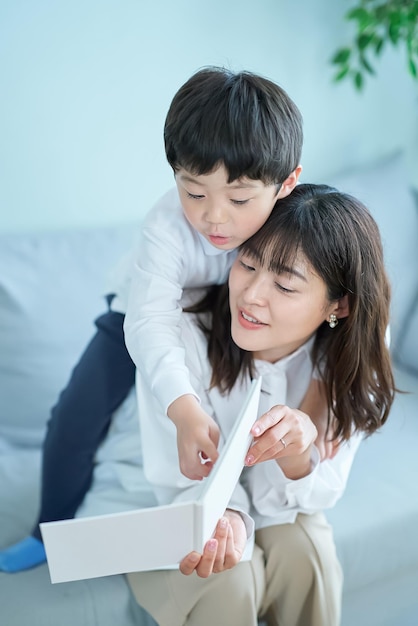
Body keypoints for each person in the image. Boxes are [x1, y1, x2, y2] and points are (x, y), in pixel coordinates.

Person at [0, 66, 330, 575]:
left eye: (239, 199)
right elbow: (149, 320)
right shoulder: (167, 227)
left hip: (230, 319)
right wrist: (182, 409)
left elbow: (341, 273)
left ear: (287, 183)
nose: (214, 218)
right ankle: (47, 526)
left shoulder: (294, 218)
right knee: (74, 414)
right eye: (193, 192)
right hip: (140, 315)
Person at [121, 183, 395, 626]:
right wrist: (227, 512)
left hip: (269, 502)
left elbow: (316, 493)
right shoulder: (181, 342)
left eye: (285, 286)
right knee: (231, 573)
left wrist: (295, 457)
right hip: (162, 498)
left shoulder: (350, 363)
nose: (250, 296)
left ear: (338, 306)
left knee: (307, 551)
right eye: (246, 263)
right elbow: (177, 480)